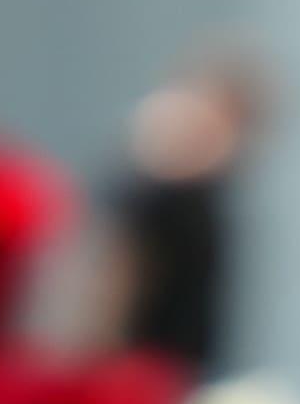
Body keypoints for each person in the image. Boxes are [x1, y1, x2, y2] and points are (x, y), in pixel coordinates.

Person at [100, 45, 270, 372]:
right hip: (133, 383)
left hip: (174, 377)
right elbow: (105, 295)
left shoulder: (205, 201)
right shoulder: (146, 198)